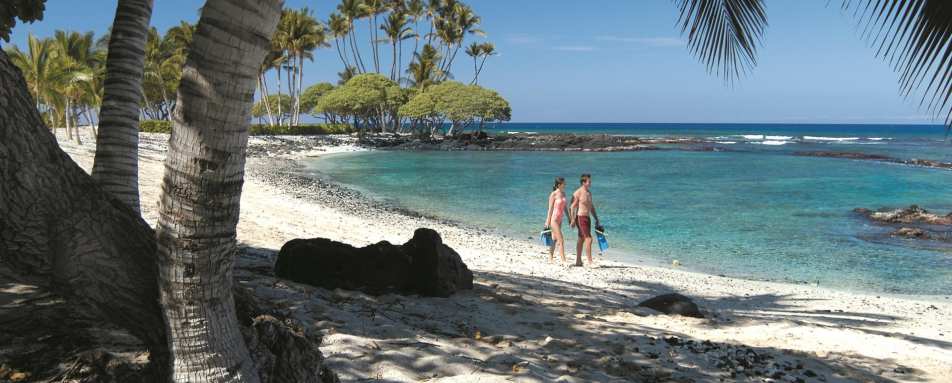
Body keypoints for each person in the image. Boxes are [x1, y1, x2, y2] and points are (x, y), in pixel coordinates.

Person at [570, 173, 599, 267]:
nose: (590, 183)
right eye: (589, 182)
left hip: (587, 218)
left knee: (581, 238)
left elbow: (591, 207)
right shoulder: (578, 192)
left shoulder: (589, 193)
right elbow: (572, 207)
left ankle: (578, 261)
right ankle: (590, 262)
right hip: (580, 217)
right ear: (583, 182)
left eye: (590, 181)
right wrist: (572, 219)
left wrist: (596, 218)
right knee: (589, 239)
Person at [544, 177, 570, 263]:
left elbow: (565, 207)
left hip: (560, 219)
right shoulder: (553, 194)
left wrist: (569, 218)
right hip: (554, 219)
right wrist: (547, 221)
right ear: (559, 185)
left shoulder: (563, 193)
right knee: (560, 240)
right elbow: (550, 209)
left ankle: (550, 257)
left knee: (554, 239)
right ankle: (563, 260)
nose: (565, 184)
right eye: (564, 183)